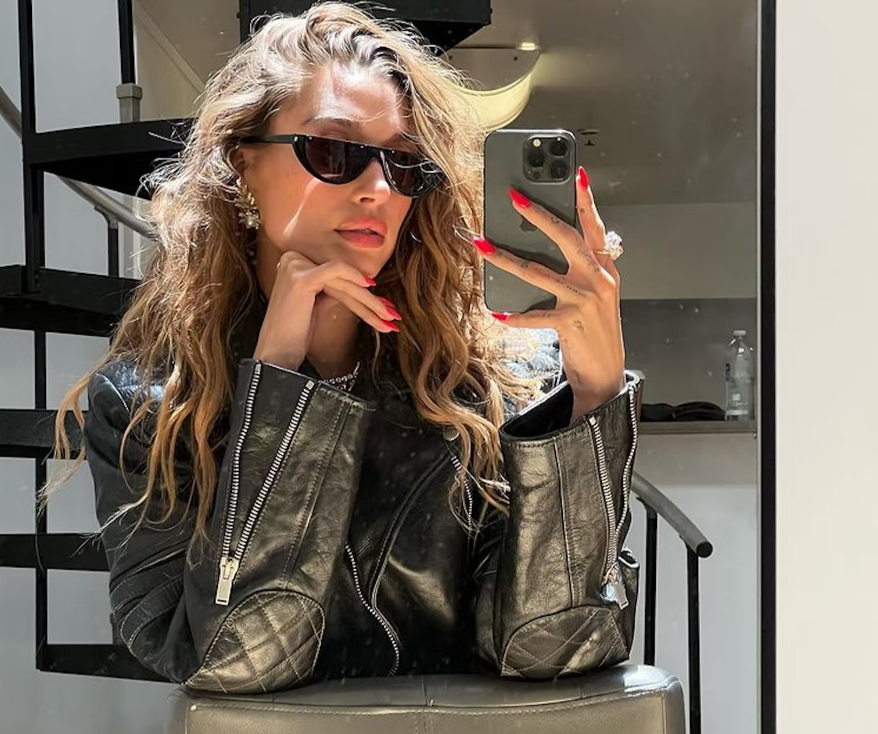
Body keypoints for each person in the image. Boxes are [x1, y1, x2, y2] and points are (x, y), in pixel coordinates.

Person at [44, 3, 641, 694]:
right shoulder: (147, 404)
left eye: (404, 162)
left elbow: (551, 649)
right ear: (243, 164)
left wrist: (593, 399)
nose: (379, 189)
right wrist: (277, 385)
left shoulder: (488, 384)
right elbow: (236, 658)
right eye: (333, 151)